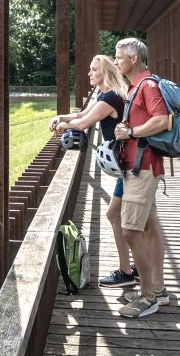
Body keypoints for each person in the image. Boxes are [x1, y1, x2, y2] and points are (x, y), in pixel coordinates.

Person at [49, 54, 136, 288]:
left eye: (93, 69)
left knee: (123, 218)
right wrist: (62, 116)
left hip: (129, 164)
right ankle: (131, 268)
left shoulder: (110, 97)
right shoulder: (106, 95)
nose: (89, 73)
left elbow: (83, 124)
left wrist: (62, 125)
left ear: (104, 72)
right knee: (119, 216)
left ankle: (128, 271)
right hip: (128, 163)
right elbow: (82, 115)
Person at [111, 37, 171, 318]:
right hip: (139, 166)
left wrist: (131, 133)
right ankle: (157, 289)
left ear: (134, 59)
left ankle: (148, 298)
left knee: (130, 231)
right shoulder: (137, 86)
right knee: (146, 225)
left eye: (119, 57)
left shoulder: (147, 85)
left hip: (142, 167)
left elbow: (162, 119)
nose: (115, 61)